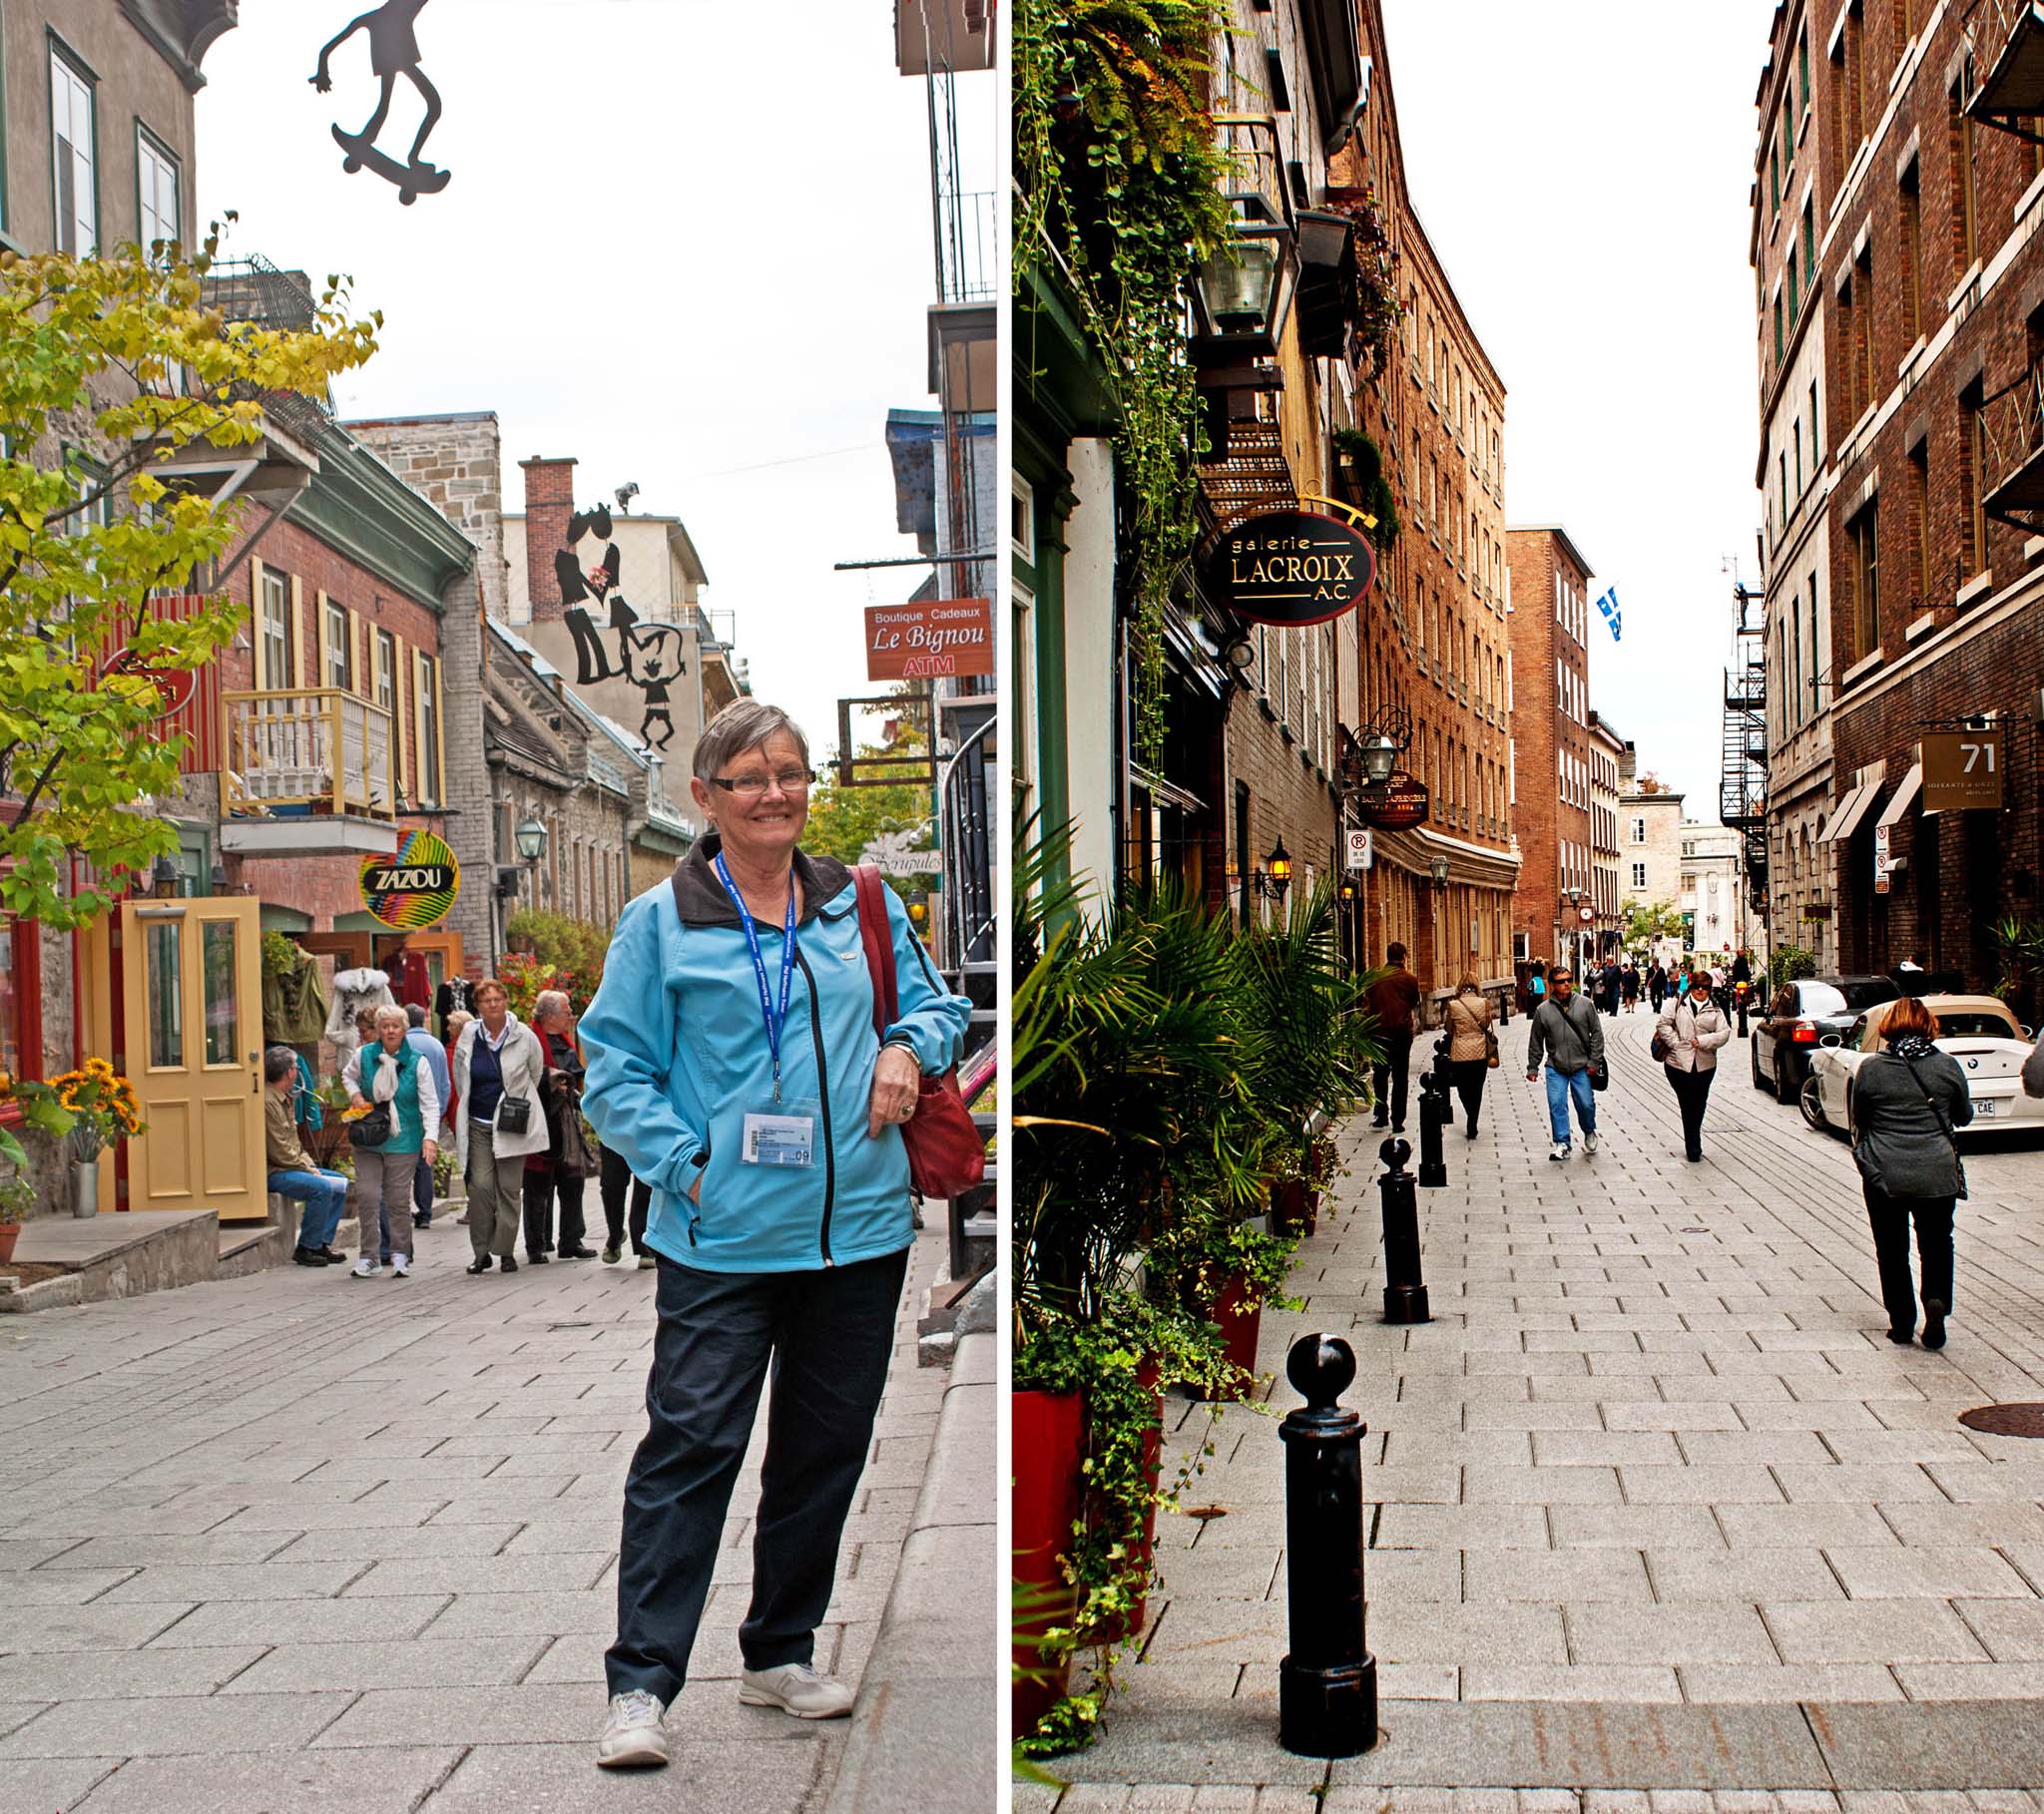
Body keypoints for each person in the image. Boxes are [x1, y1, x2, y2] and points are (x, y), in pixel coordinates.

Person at [578, 700, 971, 1770]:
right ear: (704, 797)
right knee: (689, 1448)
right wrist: (688, 1170)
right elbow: (612, 1071)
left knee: (823, 1451)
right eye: (749, 777)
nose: (775, 794)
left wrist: (902, 1046)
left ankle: (778, 1651)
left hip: (857, 1238)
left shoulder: (861, 904)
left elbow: (938, 1014)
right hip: (721, 1243)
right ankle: (641, 1686)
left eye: (790, 773)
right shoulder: (659, 923)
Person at [1849, 995, 1972, 1348]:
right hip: (1936, 1171)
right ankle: (1936, 1301)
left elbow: (1861, 1120)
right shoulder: (1946, 1066)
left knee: (1891, 1248)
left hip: (1885, 1172)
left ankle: (1901, 1322)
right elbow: (1963, 1116)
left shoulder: (1872, 1068)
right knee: (1936, 1242)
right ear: (1928, 1025)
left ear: (1889, 1027)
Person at [452, 980, 549, 1273]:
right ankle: (481, 1252)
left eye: (497, 999)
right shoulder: (469, 1036)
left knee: (509, 1189)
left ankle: (505, 1251)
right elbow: (460, 1077)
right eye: (486, 1000)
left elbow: (535, 1072)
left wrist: (516, 1101)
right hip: (479, 1122)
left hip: (510, 1123)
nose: (492, 1004)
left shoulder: (524, 1036)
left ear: (505, 1001)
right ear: (478, 1006)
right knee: (480, 1187)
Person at [342, 1006, 440, 1278]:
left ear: (404, 1029)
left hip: (404, 1138)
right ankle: (369, 1256)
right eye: (385, 1026)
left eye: (395, 1026)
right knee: (368, 1196)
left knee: (397, 1200)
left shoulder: (417, 1061)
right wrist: (355, 1095)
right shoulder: (364, 1055)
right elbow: (347, 1076)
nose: (390, 1031)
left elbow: (430, 1104)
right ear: (378, 1030)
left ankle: (399, 1254)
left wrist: (430, 1138)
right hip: (369, 1138)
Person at [523, 989, 596, 1262]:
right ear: (551, 1016)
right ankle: (536, 1245)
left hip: (565, 1121)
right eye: (566, 1012)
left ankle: (570, 1240)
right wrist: (551, 1080)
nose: (570, 1017)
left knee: (572, 1181)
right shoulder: (530, 1040)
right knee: (537, 1185)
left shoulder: (564, 1040)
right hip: (540, 1120)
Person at [264, 1047, 349, 1266]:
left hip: (293, 1166)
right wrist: (307, 1170)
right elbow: (280, 1150)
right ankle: (306, 1247)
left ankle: (321, 1242)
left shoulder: (284, 1098)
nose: (297, 1071)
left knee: (340, 1183)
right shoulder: (268, 1102)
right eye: (295, 1067)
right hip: (276, 1170)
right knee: (320, 1187)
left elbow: (295, 1144)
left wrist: (310, 1165)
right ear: (290, 1072)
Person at [1526, 966, 1604, 1161]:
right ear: (1552, 985)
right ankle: (1563, 1143)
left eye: (1569, 979)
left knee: (1585, 1104)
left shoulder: (1585, 1005)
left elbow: (1597, 1034)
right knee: (1557, 1104)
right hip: (1555, 1066)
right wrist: (1532, 1067)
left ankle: (1588, 1130)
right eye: (1561, 981)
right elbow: (1536, 1041)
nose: (1567, 984)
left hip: (1582, 1065)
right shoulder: (1542, 1011)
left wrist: (1594, 1061)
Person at [1655, 968, 1732, 1163]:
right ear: (1691, 987)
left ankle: (1693, 1134)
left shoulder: (1715, 1008)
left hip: (1705, 1065)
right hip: (1677, 1064)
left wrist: (1704, 1041)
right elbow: (1663, 1024)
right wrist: (1676, 1043)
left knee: (1699, 1103)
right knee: (1687, 1102)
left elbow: (1724, 1033)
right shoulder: (1678, 1003)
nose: (1700, 991)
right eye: (1696, 987)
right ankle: (1693, 1145)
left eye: (1704, 988)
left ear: (1709, 989)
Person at [1366, 944, 1423, 1134]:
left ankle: (1381, 1114)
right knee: (1400, 1077)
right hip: (1401, 1033)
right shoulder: (1409, 979)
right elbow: (1415, 1001)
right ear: (1404, 957)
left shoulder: (1374, 978)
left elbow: (1369, 1003)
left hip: (1379, 1032)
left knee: (1380, 1074)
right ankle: (1398, 1120)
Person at [404, 1003, 450, 1231]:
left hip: (406, 1112)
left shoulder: (402, 1044)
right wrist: (439, 1111)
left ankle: (403, 1209)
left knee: (401, 1161)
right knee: (425, 1163)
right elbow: (445, 1082)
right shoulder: (436, 1045)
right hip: (429, 1112)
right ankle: (425, 1213)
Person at [1442, 975, 1494, 1138]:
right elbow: (1486, 1025)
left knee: (1463, 1089)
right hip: (1480, 1052)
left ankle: (1470, 1115)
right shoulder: (1484, 1003)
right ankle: (1473, 1122)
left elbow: (1448, 1029)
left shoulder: (1453, 1005)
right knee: (1477, 1088)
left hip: (1460, 1053)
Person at [599, 1141, 654, 1268]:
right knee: (611, 1186)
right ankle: (615, 1234)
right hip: (612, 1133)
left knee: (645, 1187)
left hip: (644, 1132)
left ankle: (644, 1246)